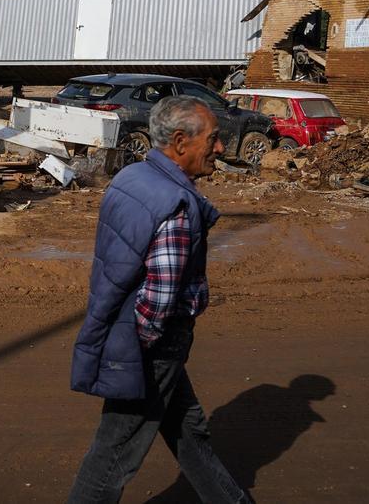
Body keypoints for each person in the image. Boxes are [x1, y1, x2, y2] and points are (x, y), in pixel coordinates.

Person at [68, 95, 251, 503]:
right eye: (214, 139)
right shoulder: (177, 205)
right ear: (182, 143)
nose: (220, 149)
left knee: (189, 433)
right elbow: (160, 297)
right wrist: (146, 346)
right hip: (151, 345)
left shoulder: (132, 177)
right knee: (114, 453)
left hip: (125, 328)